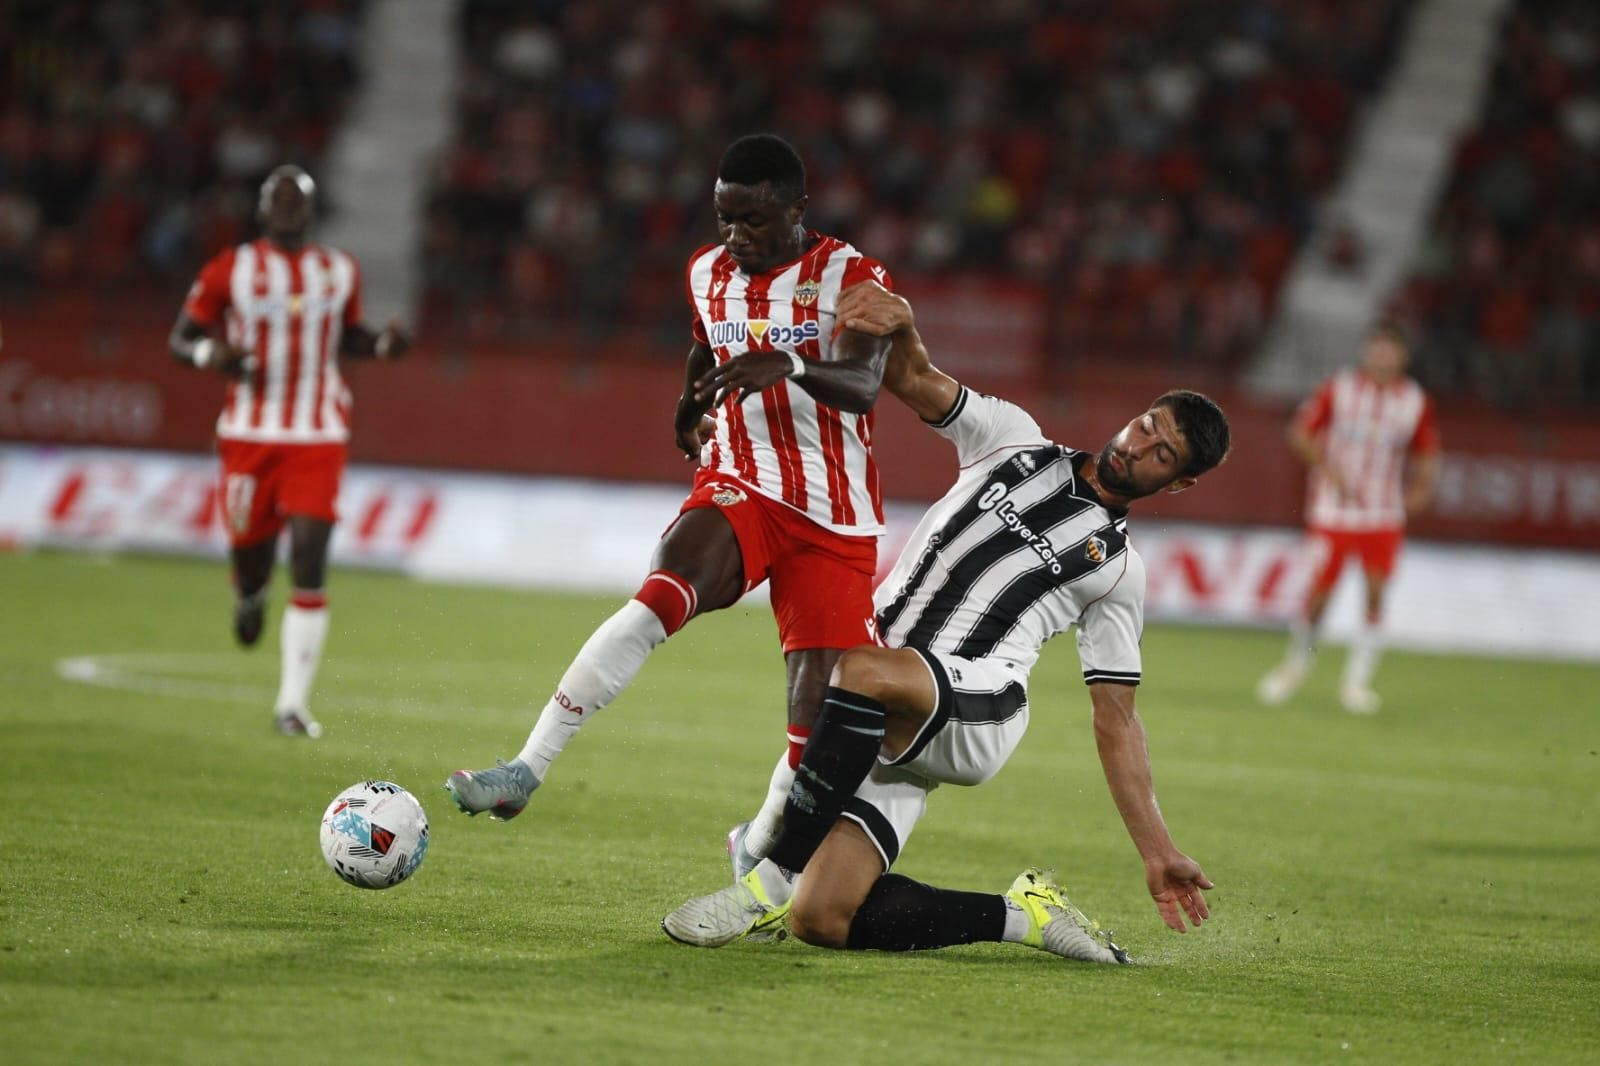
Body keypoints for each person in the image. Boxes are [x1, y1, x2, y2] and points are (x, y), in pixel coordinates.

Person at [662, 282, 1228, 962]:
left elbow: (1117, 719)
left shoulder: (1117, 569)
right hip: (877, 695)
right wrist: (901, 324)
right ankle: (1024, 916)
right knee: (823, 918)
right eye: (1145, 426)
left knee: (855, 668)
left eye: (1162, 454)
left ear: (1179, 483)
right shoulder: (1012, 441)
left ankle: (764, 876)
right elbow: (912, 376)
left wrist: (1157, 850)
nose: (1139, 448)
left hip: (978, 705)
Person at [445, 134, 894, 828]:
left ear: (798, 208)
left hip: (833, 518)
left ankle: (759, 854)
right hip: (742, 480)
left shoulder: (852, 277)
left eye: (754, 220)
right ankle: (525, 768)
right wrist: (688, 406)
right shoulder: (706, 270)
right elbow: (705, 339)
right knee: (664, 590)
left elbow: (865, 383)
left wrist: (792, 364)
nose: (736, 235)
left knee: (815, 730)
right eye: (725, 218)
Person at [168, 164, 412, 738]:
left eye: (295, 198)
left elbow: (347, 336)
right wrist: (212, 357)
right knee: (251, 557)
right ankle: (250, 597)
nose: (285, 207)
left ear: (310, 209)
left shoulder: (338, 270)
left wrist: (381, 344)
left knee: (309, 552)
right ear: (261, 209)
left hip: (318, 433)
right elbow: (182, 337)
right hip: (250, 435)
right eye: (275, 197)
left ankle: (292, 706)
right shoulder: (233, 268)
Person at [1256, 319, 1440, 714]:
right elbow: (1300, 433)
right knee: (1320, 596)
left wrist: (1421, 489)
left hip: (1382, 514)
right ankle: (1296, 665)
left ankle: (1357, 682)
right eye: (1377, 346)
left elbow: (1428, 451)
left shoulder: (1413, 400)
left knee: (1375, 593)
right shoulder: (1339, 389)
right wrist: (1331, 470)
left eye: (1391, 348)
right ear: (1367, 350)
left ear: (1403, 355)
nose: (1383, 355)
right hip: (1333, 512)